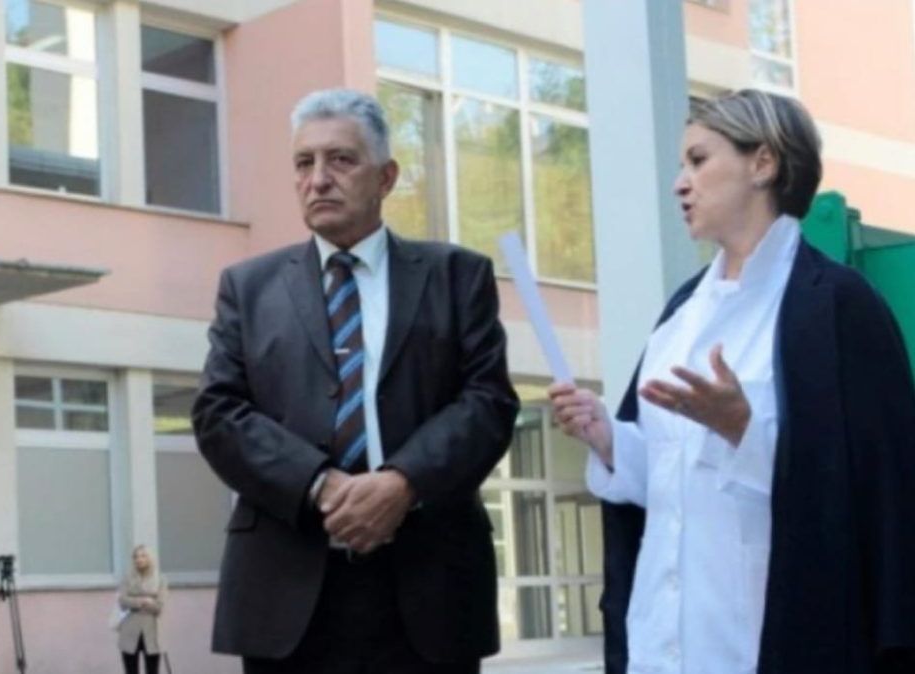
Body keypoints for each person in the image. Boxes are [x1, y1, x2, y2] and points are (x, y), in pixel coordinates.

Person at [549, 89, 915, 674]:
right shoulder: (682, 312)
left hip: (772, 641)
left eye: (698, 160)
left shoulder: (839, 305)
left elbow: (876, 492)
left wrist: (744, 429)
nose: (680, 183)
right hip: (662, 640)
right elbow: (669, 475)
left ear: (762, 163)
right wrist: (610, 439)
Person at [192, 88, 519, 674]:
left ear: (386, 177)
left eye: (340, 159)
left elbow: (488, 402)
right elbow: (219, 414)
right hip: (286, 593)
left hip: (429, 591)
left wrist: (402, 483)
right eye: (304, 163)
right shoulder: (248, 287)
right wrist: (321, 485)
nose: (318, 179)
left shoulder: (456, 276)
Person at [112, 546, 168, 674]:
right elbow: (122, 601)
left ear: (150, 558)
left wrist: (134, 599)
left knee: (152, 670)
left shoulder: (160, 579)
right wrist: (144, 601)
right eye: (136, 556)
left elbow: (159, 606)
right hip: (130, 630)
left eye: (143, 556)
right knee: (131, 670)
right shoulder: (127, 578)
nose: (139, 559)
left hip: (152, 631)